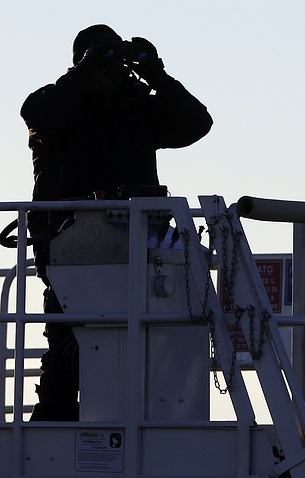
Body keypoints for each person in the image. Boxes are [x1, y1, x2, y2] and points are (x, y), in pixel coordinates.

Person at [20, 24, 213, 421]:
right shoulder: (59, 109)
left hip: (136, 247)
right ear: (80, 63)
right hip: (66, 247)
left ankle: (133, 418)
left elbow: (197, 123)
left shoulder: (136, 108)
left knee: (141, 338)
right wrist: (88, 67)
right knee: (67, 340)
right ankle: (54, 418)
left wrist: (156, 75)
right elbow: (38, 113)